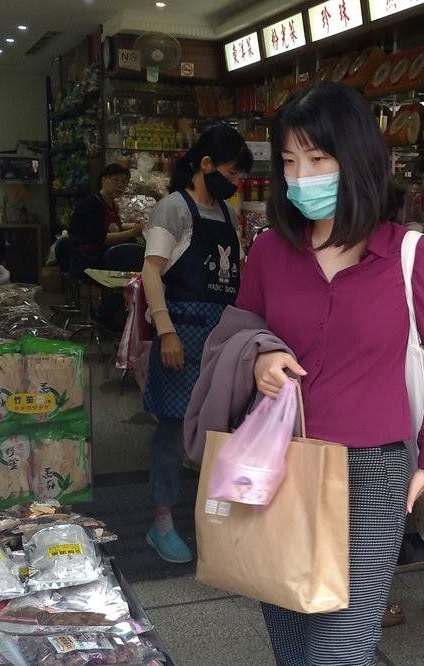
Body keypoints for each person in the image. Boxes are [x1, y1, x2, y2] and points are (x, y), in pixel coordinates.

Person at [235, 82, 424, 665]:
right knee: (290, 640)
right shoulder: (269, 250)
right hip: (281, 463)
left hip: (373, 474)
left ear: (355, 160)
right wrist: (260, 357)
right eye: (289, 161)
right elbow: (237, 334)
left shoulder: (412, 255)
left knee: (339, 648)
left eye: (317, 158)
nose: (301, 175)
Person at [141, 124, 252, 563]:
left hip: (221, 337)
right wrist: (166, 330)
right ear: (204, 165)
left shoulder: (227, 214)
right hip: (181, 334)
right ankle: (161, 520)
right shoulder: (173, 209)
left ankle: (215, 520)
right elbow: (152, 272)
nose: (237, 182)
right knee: (172, 431)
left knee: (221, 431)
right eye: (231, 172)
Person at [68, 163, 142, 328]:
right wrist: (131, 233)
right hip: (87, 260)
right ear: (103, 180)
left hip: (102, 256)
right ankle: (105, 316)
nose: (120, 185)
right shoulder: (91, 205)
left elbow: (114, 227)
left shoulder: (112, 205)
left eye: (123, 182)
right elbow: (100, 238)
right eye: (115, 180)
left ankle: (110, 315)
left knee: (133, 266)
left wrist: (138, 227)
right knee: (133, 270)